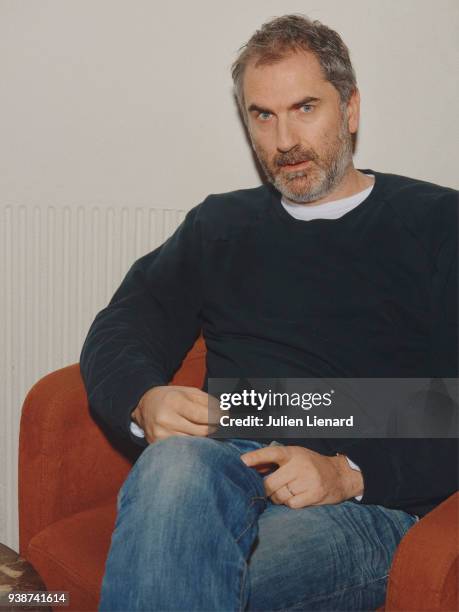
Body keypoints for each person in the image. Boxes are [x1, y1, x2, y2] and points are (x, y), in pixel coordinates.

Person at [80, 14, 458, 611]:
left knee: (218, 572)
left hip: (359, 501)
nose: (284, 141)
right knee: (174, 469)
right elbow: (125, 323)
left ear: (351, 110)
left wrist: (349, 470)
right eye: (263, 115)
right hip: (225, 457)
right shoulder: (219, 225)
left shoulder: (440, 224)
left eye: (305, 108)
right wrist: (141, 398)